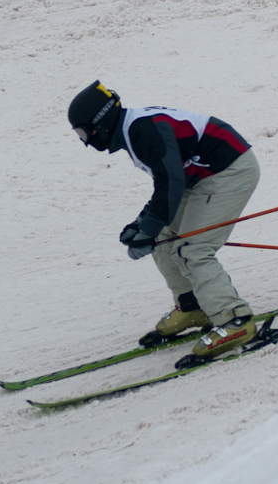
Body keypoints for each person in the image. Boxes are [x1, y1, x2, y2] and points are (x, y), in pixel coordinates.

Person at [67, 80, 261, 360]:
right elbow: (168, 181)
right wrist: (143, 224)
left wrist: (147, 224)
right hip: (199, 178)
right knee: (162, 238)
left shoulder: (143, 130)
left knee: (192, 249)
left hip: (228, 170)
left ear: (100, 122)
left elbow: (171, 180)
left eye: (84, 132)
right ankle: (192, 306)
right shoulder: (133, 130)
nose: (86, 141)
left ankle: (234, 321)